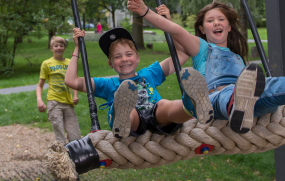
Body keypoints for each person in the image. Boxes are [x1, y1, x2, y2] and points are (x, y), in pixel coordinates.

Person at [127, 0, 285, 134]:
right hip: (214, 101)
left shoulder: (237, 57)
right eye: (210, 20)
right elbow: (174, 30)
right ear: (202, 29)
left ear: (229, 26)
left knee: (269, 87)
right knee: (231, 93)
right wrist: (145, 11)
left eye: (221, 19)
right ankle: (237, 103)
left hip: (249, 105)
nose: (216, 23)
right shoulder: (201, 47)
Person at [65, 27, 214, 139]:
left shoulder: (149, 73)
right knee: (131, 112)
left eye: (129, 54)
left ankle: (193, 105)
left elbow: (181, 54)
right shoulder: (107, 84)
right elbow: (70, 81)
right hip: (132, 124)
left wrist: (169, 24)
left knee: (164, 105)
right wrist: (77, 48)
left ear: (137, 57)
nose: (124, 59)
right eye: (117, 57)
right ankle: (122, 119)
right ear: (110, 63)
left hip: (155, 115)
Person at [36, 36, 81, 144]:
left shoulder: (70, 62)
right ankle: (62, 157)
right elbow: (40, 85)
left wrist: (75, 96)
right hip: (54, 102)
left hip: (68, 102)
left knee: (75, 134)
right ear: (51, 48)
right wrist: (39, 99)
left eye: (61, 45)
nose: (59, 48)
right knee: (59, 134)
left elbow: (75, 80)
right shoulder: (47, 64)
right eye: (56, 46)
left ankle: (75, 156)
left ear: (64, 47)